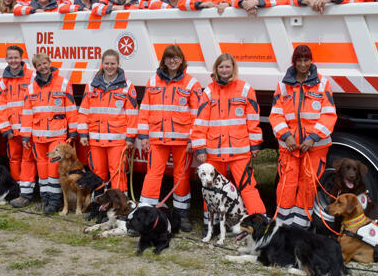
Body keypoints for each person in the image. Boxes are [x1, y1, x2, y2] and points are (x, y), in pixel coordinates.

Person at [270, 45, 336, 227]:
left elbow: (329, 114)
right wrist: (286, 137)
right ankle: (282, 225)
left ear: (311, 61)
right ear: (294, 62)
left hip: (314, 147)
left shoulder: (323, 83)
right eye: (299, 60)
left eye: (306, 60)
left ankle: (301, 226)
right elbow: (276, 114)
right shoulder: (283, 85)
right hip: (289, 147)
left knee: (308, 185)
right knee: (287, 184)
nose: (303, 64)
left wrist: (312, 138)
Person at [190, 53, 265, 215]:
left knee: (247, 186)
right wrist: (200, 149)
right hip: (214, 152)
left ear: (233, 68)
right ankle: (212, 224)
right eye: (221, 67)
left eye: (227, 67)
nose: (224, 70)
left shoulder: (245, 89)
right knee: (212, 189)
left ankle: (260, 222)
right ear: (216, 69)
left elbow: (252, 120)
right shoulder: (209, 91)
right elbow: (200, 122)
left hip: (240, 151)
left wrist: (255, 144)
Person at [138, 45, 202, 231]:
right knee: (153, 175)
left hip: (182, 141)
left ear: (181, 60)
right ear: (163, 61)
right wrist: (143, 135)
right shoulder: (153, 81)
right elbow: (145, 111)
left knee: (181, 178)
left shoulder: (191, 84)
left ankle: (181, 216)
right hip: (157, 139)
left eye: (176, 58)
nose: (172, 61)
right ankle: (145, 214)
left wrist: (193, 139)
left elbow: (196, 115)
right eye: (169, 58)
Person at [21, 52, 77, 214]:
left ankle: (55, 202)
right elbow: (27, 113)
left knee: (53, 170)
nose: (43, 67)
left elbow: (71, 109)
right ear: (35, 68)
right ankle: (45, 199)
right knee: (42, 169)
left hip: (57, 135)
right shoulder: (31, 87)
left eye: (45, 63)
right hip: (38, 136)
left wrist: (73, 132)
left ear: (50, 63)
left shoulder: (63, 83)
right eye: (39, 65)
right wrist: (25, 135)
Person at [77, 50, 137, 194]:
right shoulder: (91, 85)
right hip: (96, 140)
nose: (110, 66)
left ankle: (120, 209)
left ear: (118, 64)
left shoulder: (127, 86)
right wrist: (83, 134)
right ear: (102, 64)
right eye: (107, 63)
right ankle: (99, 208)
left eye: (113, 63)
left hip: (117, 141)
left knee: (117, 173)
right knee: (98, 174)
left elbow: (133, 115)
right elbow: (83, 112)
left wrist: (130, 138)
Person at [0, 46, 36, 208]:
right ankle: (17, 191)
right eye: (10, 58)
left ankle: (26, 194)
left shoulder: (32, 76)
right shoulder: (2, 81)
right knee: (14, 160)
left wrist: (30, 129)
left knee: (28, 160)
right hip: (12, 131)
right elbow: (0, 107)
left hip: (27, 130)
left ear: (21, 58)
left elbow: (36, 103)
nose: (13, 61)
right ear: (6, 60)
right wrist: (6, 129)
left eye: (16, 58)